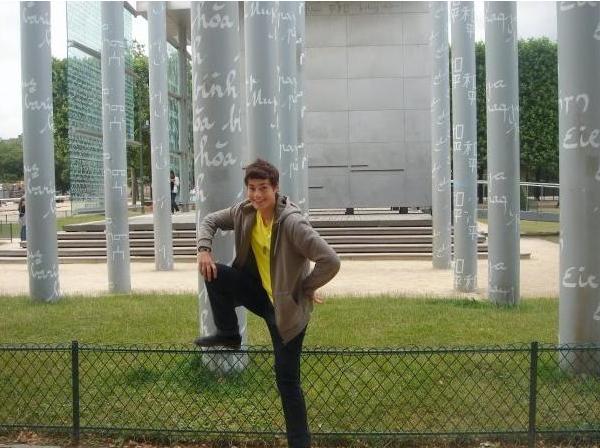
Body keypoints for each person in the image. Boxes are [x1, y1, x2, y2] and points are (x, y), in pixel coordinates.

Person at [195, 158, 340, 448]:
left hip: (287, 311)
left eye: (263, 188)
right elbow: (209, 220)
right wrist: (203, 249)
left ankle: (299, 443)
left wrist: (305, 287)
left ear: (275, 188)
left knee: (287, 380)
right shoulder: (245, 212)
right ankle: (229, 333)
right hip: (260, 295)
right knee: (214, 273)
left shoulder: (292, 224)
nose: (257, 194)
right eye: (252, 188)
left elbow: (330, 260)